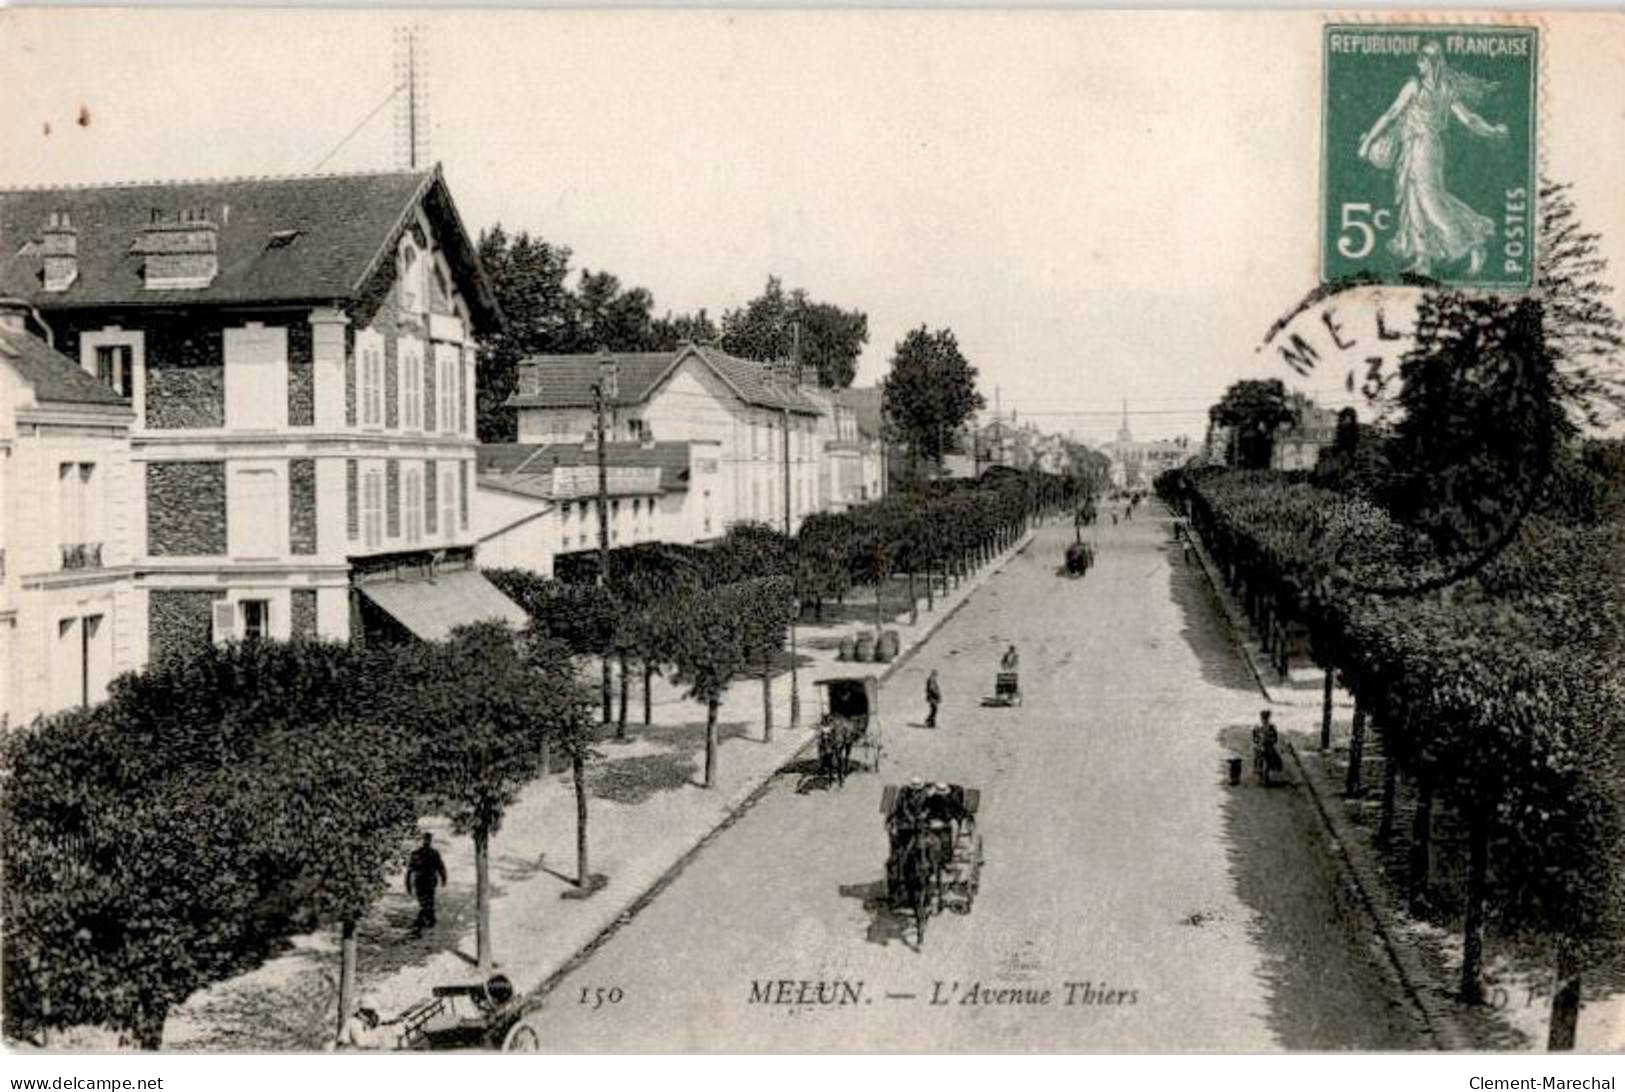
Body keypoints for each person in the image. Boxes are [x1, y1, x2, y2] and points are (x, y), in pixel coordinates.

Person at [1358, 40, 1509, 277]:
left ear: (1431, 62)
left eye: (1422, 59)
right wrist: (1491, 130)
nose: (1418, 63)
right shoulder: (1446, 89)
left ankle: (1472, 245)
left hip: (1423, 148)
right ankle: (1423, 260)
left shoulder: (1415, 86)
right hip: (1417, 148)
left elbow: (1391, 114)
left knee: (1431, 202)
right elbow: (1469, 119)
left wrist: (1368, 142)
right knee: (1413, 200)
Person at [405, 832, 448, 936]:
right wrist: (408, 884)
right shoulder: (417, 853)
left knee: (427, 901)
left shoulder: (432, 853)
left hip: (427, 881)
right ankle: (429, 919)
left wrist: (443, 878)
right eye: (425, 839)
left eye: (427, 839)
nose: (426, 841)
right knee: (425, 901)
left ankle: (423, 921)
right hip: (422, 881)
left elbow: (440, 867)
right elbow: (410, 870)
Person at [333, 1007, 399, 1051]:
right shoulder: (354, 1022)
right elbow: (361, 1043)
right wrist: (377, 1037)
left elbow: (382, 1021)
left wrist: (394, 1021)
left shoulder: (362, 1024)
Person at [1253, 710, 1283, 787]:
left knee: (1267, 763)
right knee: (1260, 762)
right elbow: (1254, 738)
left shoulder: (1270, 727)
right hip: (1261, 747)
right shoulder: (1258, 727)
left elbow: (1275, 738)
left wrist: (1270, 741)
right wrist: (1258, 742)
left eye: (1265, 719)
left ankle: (1265, 779)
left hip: (1268, 748)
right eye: (1263, 719)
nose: (1264, 720)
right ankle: (1262, 778)